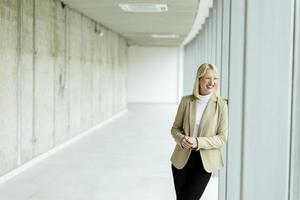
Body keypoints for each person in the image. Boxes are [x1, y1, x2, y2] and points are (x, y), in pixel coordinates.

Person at [170, 63, 228, 200]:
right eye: (208, 78)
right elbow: (175, 128)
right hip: (181, 159)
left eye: (215, 78)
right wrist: (181, 139)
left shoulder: (221, 105)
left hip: (204, 163)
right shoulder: (186, 101)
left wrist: (197, 142)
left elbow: (222, 137)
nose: (212, 82)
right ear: (199, 79)